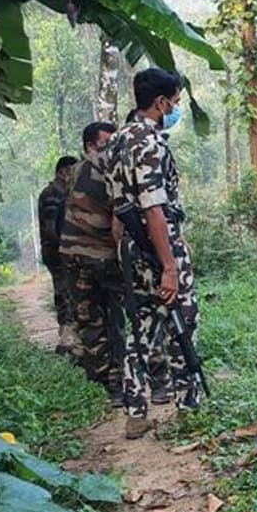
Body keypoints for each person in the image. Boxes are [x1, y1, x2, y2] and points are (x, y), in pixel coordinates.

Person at [106, 68, 202, 439]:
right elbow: (153, 208)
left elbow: (118, 210)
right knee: (183, 318)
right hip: (158, 245)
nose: (176, 109)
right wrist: (168, 266)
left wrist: (126, 253)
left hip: (131, 247)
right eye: (175, 103)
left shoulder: (117, 140)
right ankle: (187, 405)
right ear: (160, 103)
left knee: (142, 327)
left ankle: (135, 411)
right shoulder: (150, 143)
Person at [60, 121, 122, 408]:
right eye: (105, 143)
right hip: (100, 257)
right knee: (110, 318)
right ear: (89, 146)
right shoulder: (102, 169)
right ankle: (116, 382)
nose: (110, 149)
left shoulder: (72, 173)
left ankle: (103, 381)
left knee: (89, 319)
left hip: (74, 256)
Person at [38, 156, 79, 353]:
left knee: (69, 291)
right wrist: (66, 248)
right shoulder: (52, 194)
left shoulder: (65, 192)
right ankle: (66, 335)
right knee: (64, 291)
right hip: (56, 251)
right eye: (72, 171)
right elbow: (51, 229)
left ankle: (70, 332)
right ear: (63, 171)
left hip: (63, 250)